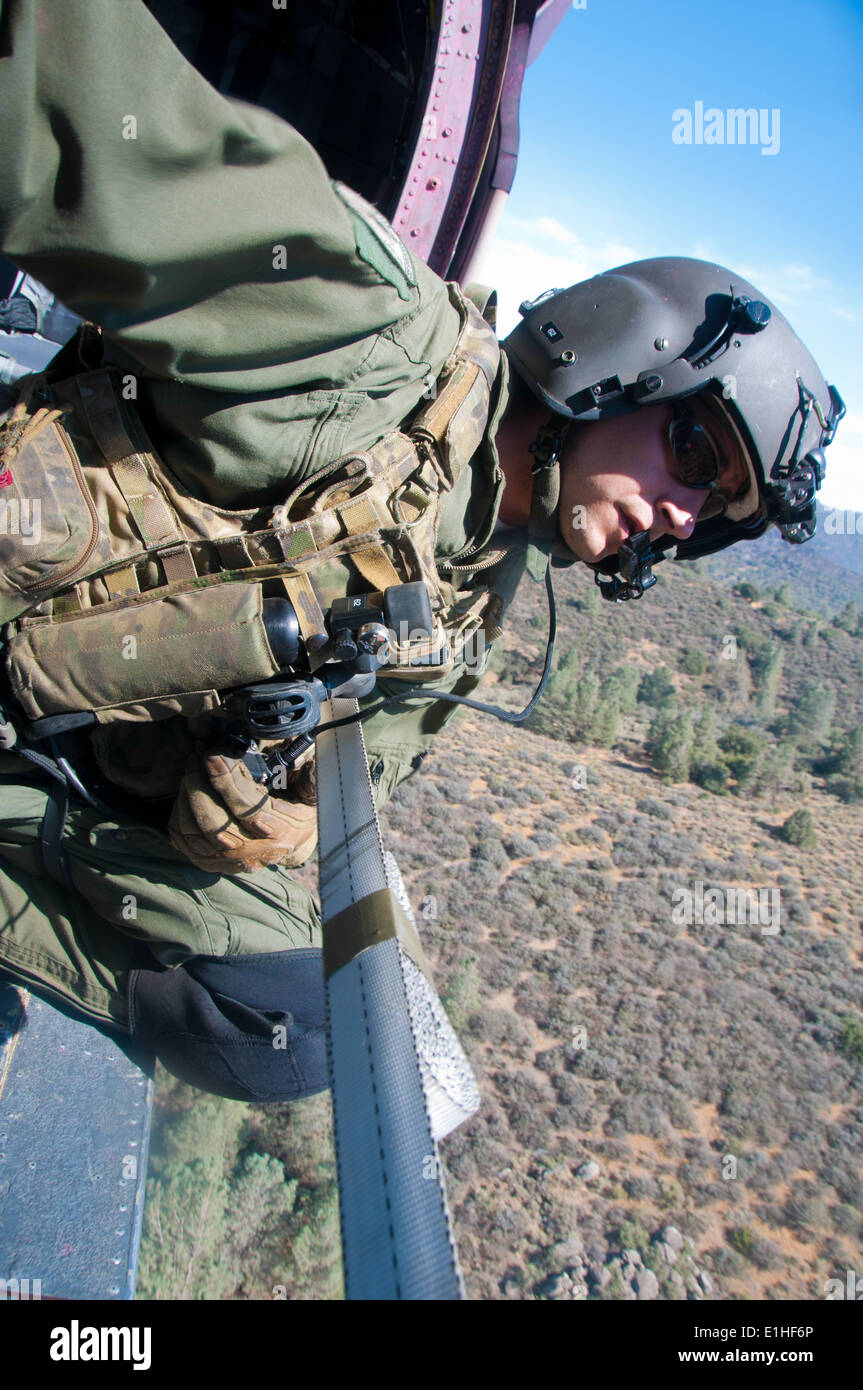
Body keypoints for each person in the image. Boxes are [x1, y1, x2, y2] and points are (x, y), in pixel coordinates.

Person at [0, 0, 843, 1102]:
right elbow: (72, 101)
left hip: (77, 740)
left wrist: (267, 796)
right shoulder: (368, 340)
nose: (681, 515)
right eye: (693, 449)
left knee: (286, 1017)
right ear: (622, 354)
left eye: (713, 514)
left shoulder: (476, 589)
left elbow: (305, 782)